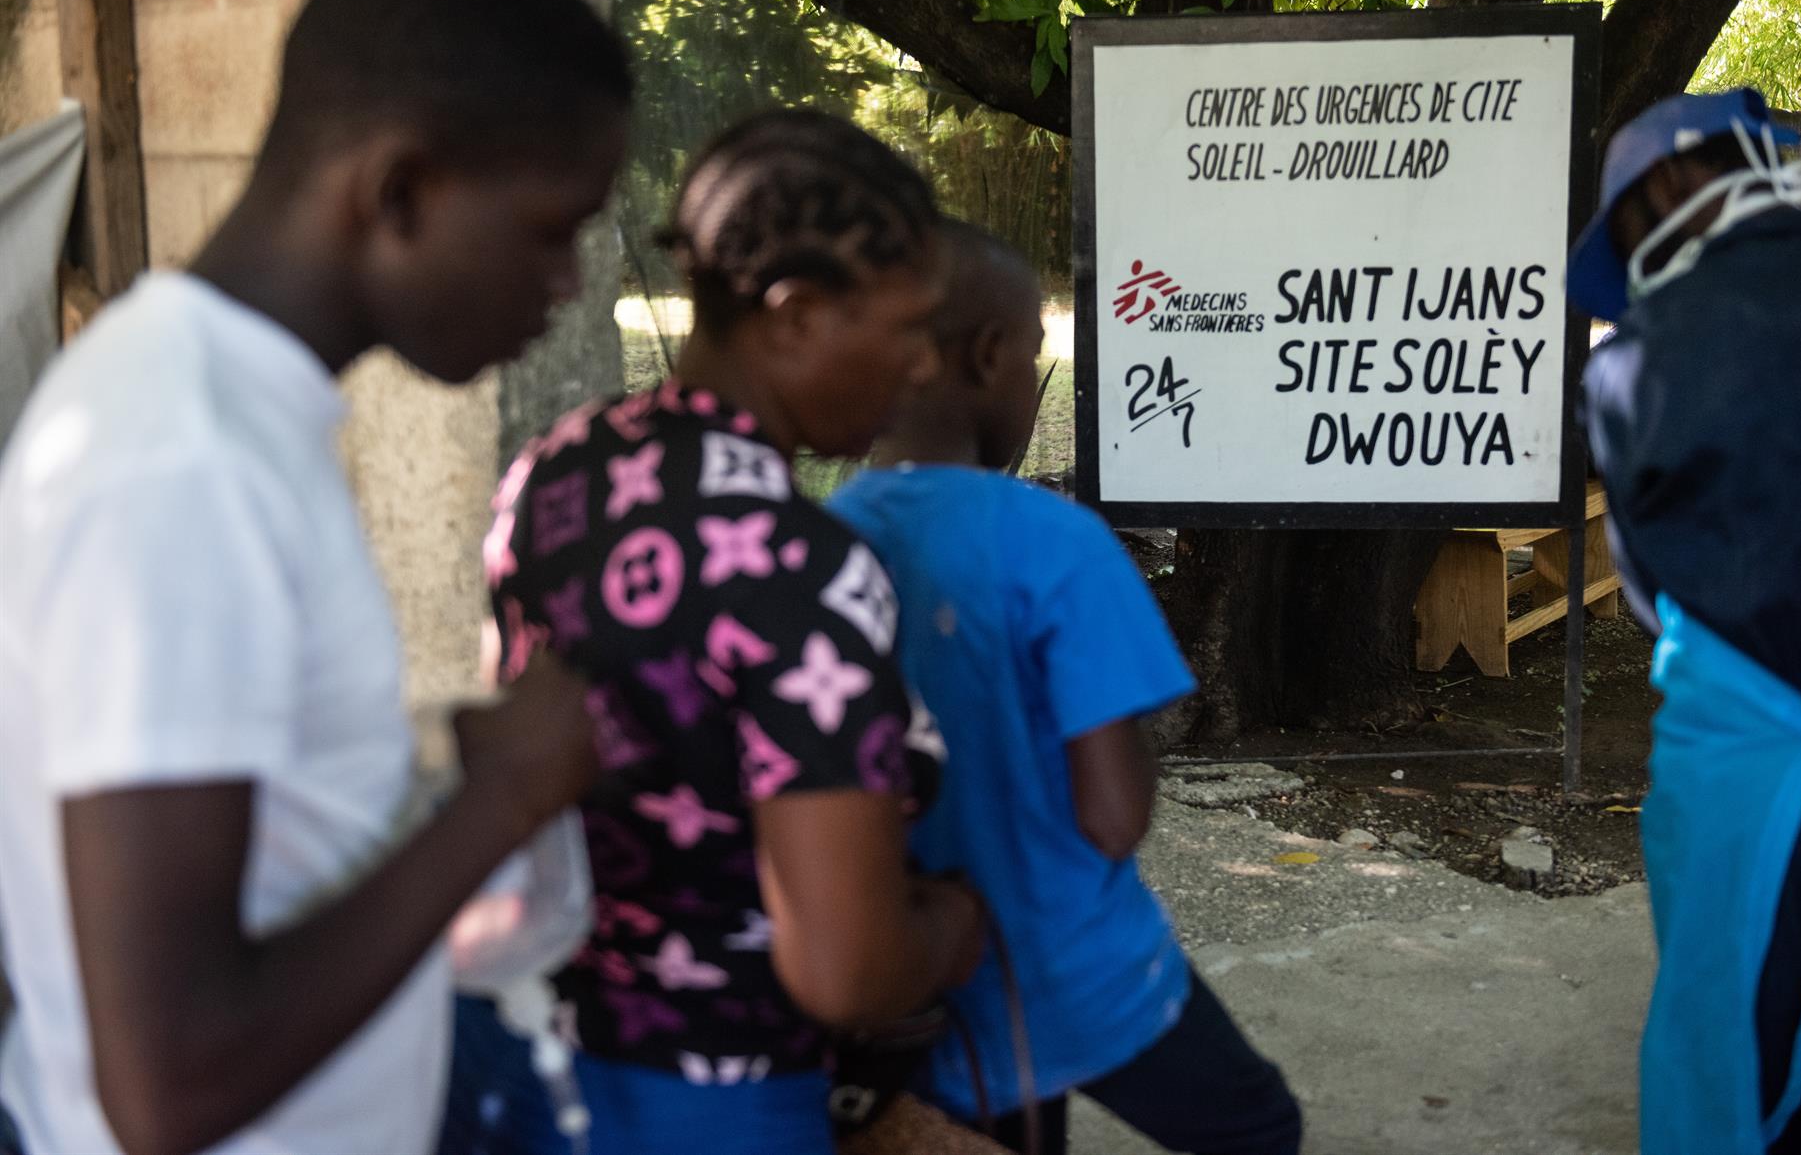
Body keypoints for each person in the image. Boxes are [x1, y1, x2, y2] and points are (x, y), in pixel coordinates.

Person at [0, 0, 625, 1155]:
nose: (565, 282)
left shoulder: (226, 414)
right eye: (551, 226)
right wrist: (495, 807)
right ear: (399, 191)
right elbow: (168, 1083)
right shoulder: (182, 460)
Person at [447, 108, 984, 1155]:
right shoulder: (801, 569)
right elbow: (842, 968)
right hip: (710, 1102)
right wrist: (957, 925)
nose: (924, 367)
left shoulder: (554, 468)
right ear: (793, 318)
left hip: (512, 1059)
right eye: (908, 328)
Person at [827, 221, 1305, 1155]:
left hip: (916, 977)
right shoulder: (1059, 544)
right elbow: (1115, 815)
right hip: (1076, 965)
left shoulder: (819, 542)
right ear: (992, 356)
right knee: (1256, 1127)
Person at [1570, 87, 1801, 1154]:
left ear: (1667, 197)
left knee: (1742, 1050)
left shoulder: (1626, 373)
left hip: (1738, 795)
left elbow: (1651, 598)